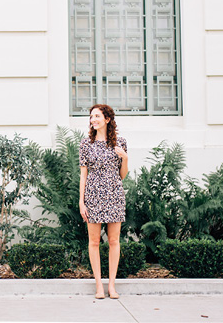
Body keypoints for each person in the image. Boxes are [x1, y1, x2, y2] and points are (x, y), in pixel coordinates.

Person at [79, 103, 129, 300]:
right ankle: (99, 285)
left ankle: (112, 286)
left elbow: (122, 175)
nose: (93, 120)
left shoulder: (120, 143)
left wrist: (125, 157)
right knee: (94, 241)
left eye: (97, 116)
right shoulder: (85, 144)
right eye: (91, 117)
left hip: (114, 194)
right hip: (93, 195)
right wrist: (81, 202)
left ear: (107, 119)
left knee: (114, 241)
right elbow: (83, 175)